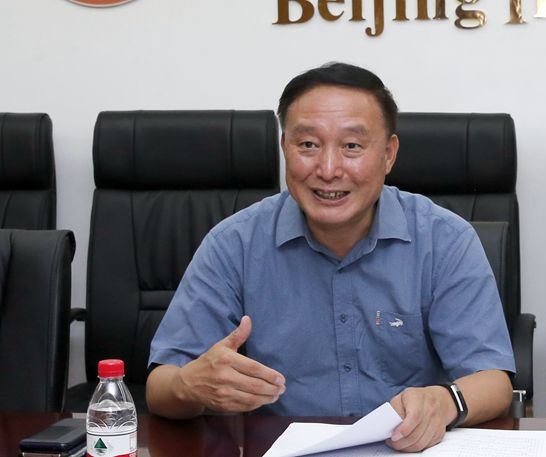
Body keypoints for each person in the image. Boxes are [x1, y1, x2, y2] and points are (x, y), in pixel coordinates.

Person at [146, 62, 515, 452]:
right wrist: (190, 385)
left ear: (388, 154)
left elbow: (494, 381)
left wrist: (443, 401)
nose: (327, 169)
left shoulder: (445, 239)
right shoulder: (234, 244)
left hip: (405, 448)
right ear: (284, 147)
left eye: (352, 146)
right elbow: (160, 387)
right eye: (308, 145)